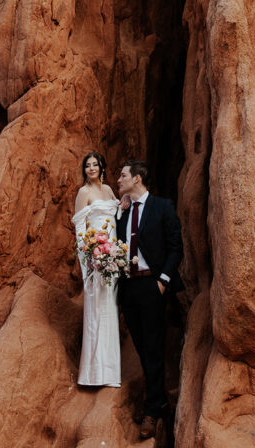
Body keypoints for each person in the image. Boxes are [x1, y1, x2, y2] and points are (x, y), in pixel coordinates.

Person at [116, 159, 183, 441]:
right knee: (143, 347)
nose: (118, 180)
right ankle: (159, 400)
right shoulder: (123, 211)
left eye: (123, 176)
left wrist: (163, 282)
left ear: (137, 179)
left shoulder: (161, 207)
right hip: (128, 287)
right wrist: (119, 215)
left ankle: (152, 411)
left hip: (151, 285)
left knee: (153, 347)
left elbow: (175, 247)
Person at [72, 151, 122, 387]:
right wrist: (90, 257)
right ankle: (93, 374)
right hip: (94, 258)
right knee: (95, 307)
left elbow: (117, 214)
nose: (91, 168)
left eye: (95, 164)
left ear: (102, 166)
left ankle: (110, 373)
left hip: (112, 257)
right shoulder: (84, 192)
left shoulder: (109, 190)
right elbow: (80, 227)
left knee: (110, 308)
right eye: (87, 166)